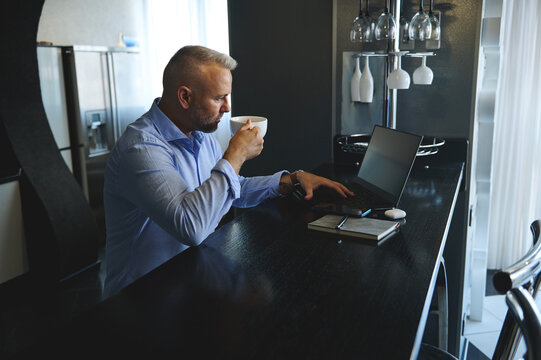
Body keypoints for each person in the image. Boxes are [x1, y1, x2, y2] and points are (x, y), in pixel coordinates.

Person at [102, 45, 353, 298]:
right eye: (218, 98)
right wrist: (235, 155)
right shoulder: (141, 149)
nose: (227, 107)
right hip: (141, 298)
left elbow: (230, 188)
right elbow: (191, 227)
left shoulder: (198, 131)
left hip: (188, 278)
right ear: (185, 97)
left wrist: (290, 180)